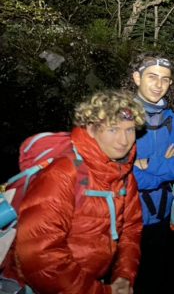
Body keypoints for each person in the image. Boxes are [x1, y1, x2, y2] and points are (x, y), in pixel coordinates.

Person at [2, 90, 145, 294]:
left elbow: (131, 229)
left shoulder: (122, 172)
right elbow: (40, 258)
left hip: (91, 281)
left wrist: (124, 276)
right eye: (113, 129)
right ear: (91, 129)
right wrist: (102, 292)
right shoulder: (63, 173)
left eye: (130, 130)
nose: (124, 140)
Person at [121, 53, 174, 293]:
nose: (159, 84)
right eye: (152, 77)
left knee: (154, 278)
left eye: (165, 79)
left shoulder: (171, 119)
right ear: (136, 77)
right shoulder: (118, 117)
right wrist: (163, 164)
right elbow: (121, 173)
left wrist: (147, 164)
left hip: (161, 215)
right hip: (126, 218)